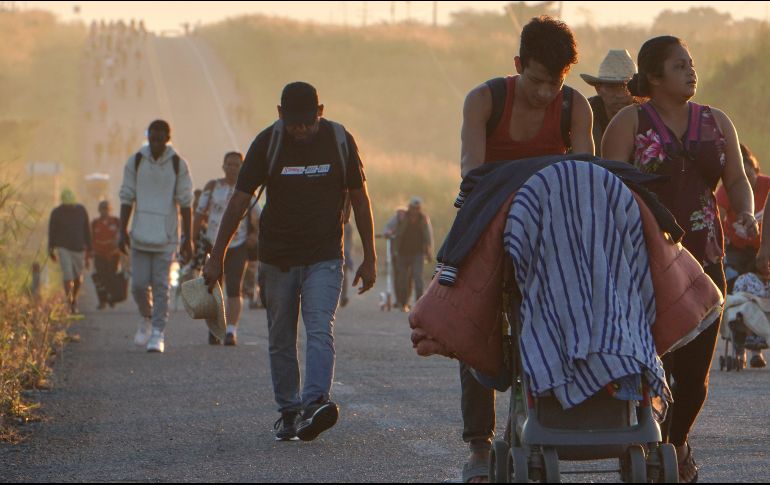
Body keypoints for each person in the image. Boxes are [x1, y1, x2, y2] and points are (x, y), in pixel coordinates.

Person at [602, 36, 757, 483]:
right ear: (653, 76)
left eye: (691, 63)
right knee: (654, 366)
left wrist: (743, 211)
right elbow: (608, 190)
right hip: (643, 262)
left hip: (706, 258)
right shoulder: (629, 121)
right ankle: (652, 450)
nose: (691, 71)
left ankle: (676, 441)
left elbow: (737, 178)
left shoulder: (716, 120)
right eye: (679, 65)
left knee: (695, 377)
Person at [457, 15, 593, 483]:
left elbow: (584, 177)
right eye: (535, 81)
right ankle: (478, 444)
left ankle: (561, 416)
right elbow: (472, 173)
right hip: (490, 218)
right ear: (518, 65)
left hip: (550, 227)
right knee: (468, 320)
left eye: (554, 83)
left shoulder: (575, 108)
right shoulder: (484, 100)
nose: (545, 93)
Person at [202, 81, 377, 442]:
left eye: (308, 122)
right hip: (277, 257)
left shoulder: (340, 140)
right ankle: (288, 411)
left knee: (318, 327)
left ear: (321, 112)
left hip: (325, 254)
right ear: (280, 114)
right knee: (281, 336)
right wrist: (216, 256)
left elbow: (360, 198)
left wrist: (370, 256)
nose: (300, 129)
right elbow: (238, 202)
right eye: (294, 122)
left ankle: (314, 403)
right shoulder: (268, 142)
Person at [119, 119, 194, 354]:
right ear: (148, 137)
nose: (155, 143)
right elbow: (127, 196)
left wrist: (188, 238)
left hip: (166, 237)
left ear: (167, 139)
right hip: (140, 234)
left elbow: (185, 203)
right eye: (152, 138)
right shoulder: (136, 160)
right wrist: (122, 229)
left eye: (160, 139)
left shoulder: (177, 164)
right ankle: (147, 316)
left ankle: (158, 333)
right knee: (139, 285)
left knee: (161, 286)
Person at [193, 151, 259, 346]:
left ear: (242, 168)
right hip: (213, 244)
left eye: (236, 165)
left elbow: (260, 217)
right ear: (223, 166)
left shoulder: (248, 191)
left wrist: (255, 235)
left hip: (238, 245)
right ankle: (215, 329)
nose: (232, 168)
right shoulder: (212, 187)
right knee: (212, 288)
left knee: (234, 287)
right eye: (229, 165)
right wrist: (191, 238)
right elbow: (198, 213)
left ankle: (231, 330)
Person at [716, 144, 770, 290]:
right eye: (741, 176)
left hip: (762, 248)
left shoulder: (767, 186)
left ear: (757, 171)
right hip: (736, 248)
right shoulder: (728, 190)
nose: (745, 181)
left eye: (749, 175)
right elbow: (717, 217)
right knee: (732, 278)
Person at [580, 49, 638, 155]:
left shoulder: (647, 117)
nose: (620, 95)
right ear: (598, 89)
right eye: (612, 87)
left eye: (626, 87)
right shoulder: (583, 115)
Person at [48, 189, 92, 314]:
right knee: (68, 276)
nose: (69, 207)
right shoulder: (56, 213)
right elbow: (52, 232)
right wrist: (51, 249)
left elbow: (87, 231)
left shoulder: (81, 210)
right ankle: (70, 302)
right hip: (63, 248)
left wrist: (90, 250)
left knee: (78, 278)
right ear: (62, 203)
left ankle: (75, 298)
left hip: (79, 248)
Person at [392, 197, 433, 312]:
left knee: (418, 278)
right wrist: (394, 250)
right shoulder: (402, 217)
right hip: (402, 253)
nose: (415, 211)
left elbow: (428, 236)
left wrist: (429, 252)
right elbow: (395, 231)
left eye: (417, 208)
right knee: (403, 280)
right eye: (413, 208)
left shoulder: (423, 219)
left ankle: (419, 305)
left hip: (418, 254)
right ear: (409, 208)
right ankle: (403, 303)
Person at [91, 200, 121, 309]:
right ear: (99, 210)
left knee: (111, 276)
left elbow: (122, 235)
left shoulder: (116, 222)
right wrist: (89, 254)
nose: (105, 212)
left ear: (110, 210)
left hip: (113, 255)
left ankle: (111, 298)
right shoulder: (95, 223)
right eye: (102, 209)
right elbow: (90, 239)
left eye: (107, 209)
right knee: (100, 278)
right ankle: (102, 300)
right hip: (99, 254)